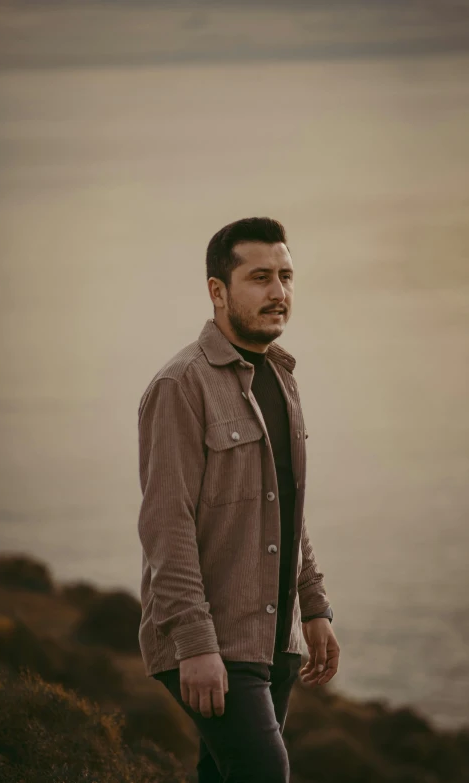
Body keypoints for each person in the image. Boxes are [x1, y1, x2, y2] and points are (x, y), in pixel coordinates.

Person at [137, 217, 340, 782]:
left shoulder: (280, 375)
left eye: (286, 276)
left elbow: (286, 508)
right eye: (259, 278)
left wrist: (315, 606)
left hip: (274, 640)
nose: (278, 293)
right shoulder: (181, 385)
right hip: (211, 639)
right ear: (218, 291)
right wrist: (197, 647)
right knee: (263, 773)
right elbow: (164, 526)